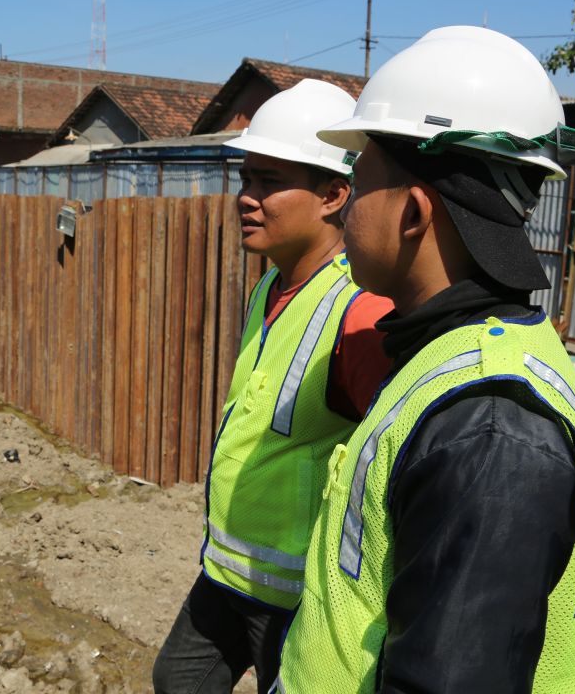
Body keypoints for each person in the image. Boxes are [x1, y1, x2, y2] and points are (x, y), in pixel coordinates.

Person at [273, 26, 575, 694]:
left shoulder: (490, 430)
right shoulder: (448, 358)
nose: (343, 210)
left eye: (359, 180)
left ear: (414, 213)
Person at [153, 80, 394, 693]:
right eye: (245, 179)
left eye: (268, 182)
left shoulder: (359, 313)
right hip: (230, 570)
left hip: (295, 596)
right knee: (177, 682)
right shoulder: (272, 286)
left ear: (334, 195)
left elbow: (392, 469)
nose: (246, 198)